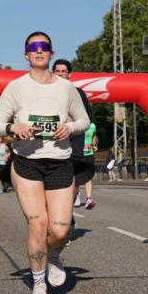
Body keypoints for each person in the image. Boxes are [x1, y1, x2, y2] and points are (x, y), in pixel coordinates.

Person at [0, 31, 89, 294]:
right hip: (27, 163)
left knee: (60, 229)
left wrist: (69, 127)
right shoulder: (16, 87)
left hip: (59, 162)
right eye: (34, 47)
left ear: (51, 52)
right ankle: (38, 284)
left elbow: (84, 120)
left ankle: (53, 255)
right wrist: (14, 127)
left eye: (44, 46)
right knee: (38, 224)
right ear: (26, 55)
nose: (39, 50)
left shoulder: (66, 88)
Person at [52, 59, 97, 210]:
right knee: (54, 177)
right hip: (53, 140)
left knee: (71, 177)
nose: (60, 74)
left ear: (69, 74)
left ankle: (67, 212)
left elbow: (88, 118)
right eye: (57, 71)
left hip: (74, 140)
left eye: (63, 71)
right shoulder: (45, 92)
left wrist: (71, 122)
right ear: (53, 73)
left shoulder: (78, 93)